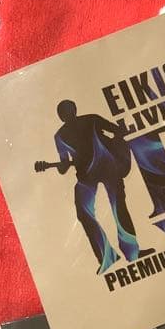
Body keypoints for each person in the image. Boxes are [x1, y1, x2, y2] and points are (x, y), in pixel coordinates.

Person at [53, 100, 151, 273]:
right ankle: (107, 257)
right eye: (63, 113)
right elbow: (63, 166)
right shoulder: (59, 136)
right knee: (84, 213)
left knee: (119, 208)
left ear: (74, 110)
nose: (66, 115)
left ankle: (133, 253)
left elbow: (118, 131)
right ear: (60, 116)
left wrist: (111, 145)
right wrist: (62, 165)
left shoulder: (92, 119)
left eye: (68, 110)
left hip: (108, 168)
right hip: (86, 176)